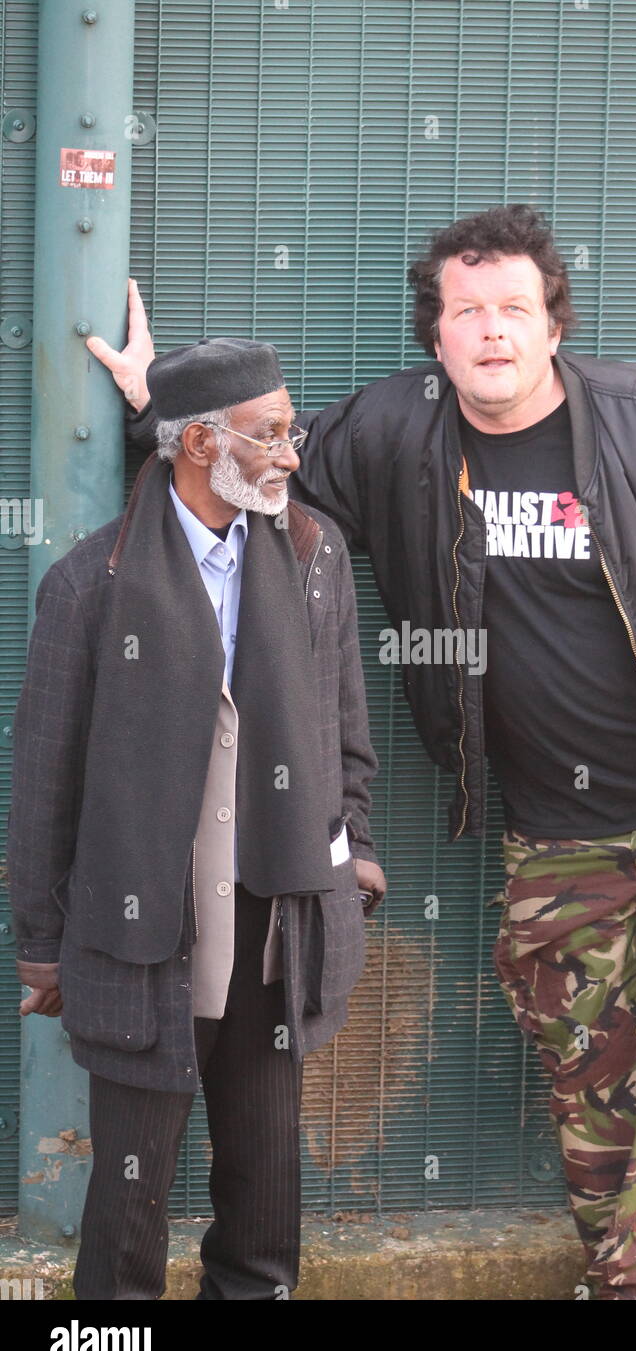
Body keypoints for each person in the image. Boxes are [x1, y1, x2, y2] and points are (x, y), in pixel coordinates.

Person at [89, 206, 636, 1300]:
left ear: (552, 323)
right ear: (437, 338)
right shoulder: (394, 436)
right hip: (557, 834)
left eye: (513, 307)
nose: (490, 330)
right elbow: (259, 469)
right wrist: (153, 410)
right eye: (466, 312)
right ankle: (629, 1280)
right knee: (586, 1076)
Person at [6, 336, 384, 1300]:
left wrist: (358, 862)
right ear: (198, 445)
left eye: (290, 431)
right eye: (269, 436)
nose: (291, 454)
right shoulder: (90, 586)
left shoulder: (313, 557)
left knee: (264, 1197)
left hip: (276, 933)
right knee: (127, 1207)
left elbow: (347, 732)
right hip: (144, 946)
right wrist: (42, 945)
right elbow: (46, 781)